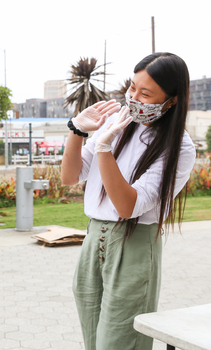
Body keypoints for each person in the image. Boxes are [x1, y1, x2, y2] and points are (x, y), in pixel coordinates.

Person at [61, 52, 196, 350]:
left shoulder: (179, 146)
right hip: (94, 236)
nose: (133, 97)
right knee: (94, 341)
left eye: (145, 93)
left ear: (171, 100)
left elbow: (127, 206)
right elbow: (70, 177)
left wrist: (104, 147)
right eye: (132, 87)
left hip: (133, 243)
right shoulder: (115, 118)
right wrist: (76, 130)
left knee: (120, 343)